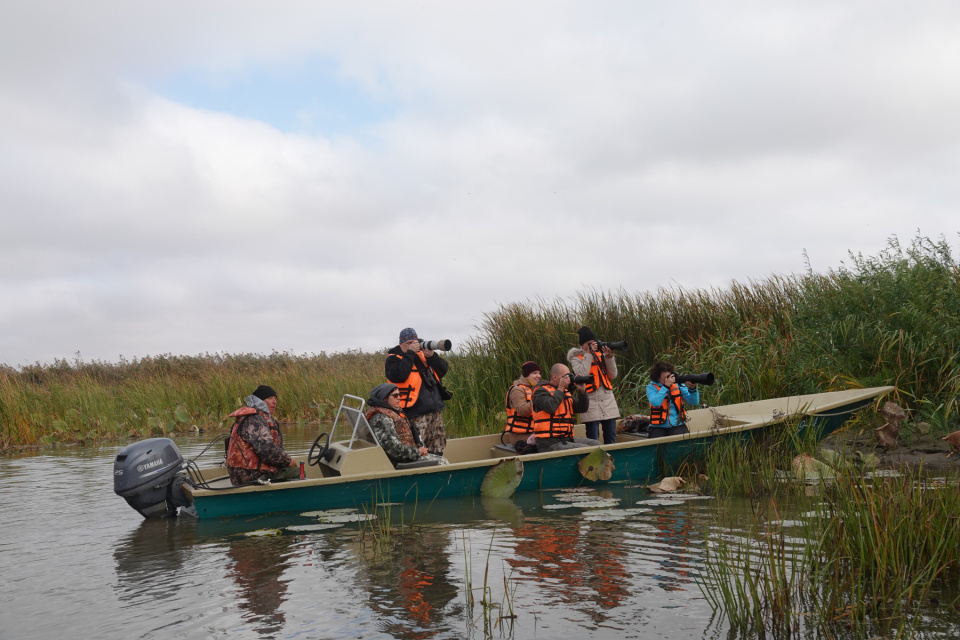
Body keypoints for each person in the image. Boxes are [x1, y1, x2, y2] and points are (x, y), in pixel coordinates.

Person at [385, 327, 450, 455]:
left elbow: (443, 370)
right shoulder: (393, 359)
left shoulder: (423, 356)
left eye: (415, 342)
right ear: (401, 344)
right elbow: (399, 375)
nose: (413, 345)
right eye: (409, 343)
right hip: (415, 411)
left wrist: (432, 357)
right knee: (417, 446)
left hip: (434, 409)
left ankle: (437, 467)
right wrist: (410, 353)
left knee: (438, 444)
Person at [225, 385, 299, 485]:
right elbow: (267, 450)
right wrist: (289, 461)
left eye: (275, 398)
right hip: (250, 475)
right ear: (260, 401)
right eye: (270, 398)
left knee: (285, 466)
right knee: (296, 471)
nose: (274, 402)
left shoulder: (253, 417)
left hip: (243, 473)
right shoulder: (255, 419)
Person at [366, 383, 446, 466]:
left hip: (406, 456)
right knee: (442, 462)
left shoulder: (392, 411)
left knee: (440, 459)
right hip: (399, 462)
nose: (399, 398)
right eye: (395, 395)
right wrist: (418, 452)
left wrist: (419, 449)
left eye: (400, 395)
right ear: (385, 398)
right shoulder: (381, 418)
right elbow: (393, 449)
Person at [568, 326, 620, 444]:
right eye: (589, 343)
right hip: (590, 401)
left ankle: (610, 460)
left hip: (607, 400)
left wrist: (609, 357)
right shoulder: (576, 358)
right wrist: (588, 353)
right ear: (582, 345)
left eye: (593, 342)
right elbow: (581, 374)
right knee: (592, 437)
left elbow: (613, 375)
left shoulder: (602, 354)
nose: (592, 345)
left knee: (611, 436)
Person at [532, 363, 601, 452]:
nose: (569, 379)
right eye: (565, 376)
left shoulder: (564, 393)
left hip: (566, 439)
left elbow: (582, 408)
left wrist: (582, 391)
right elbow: (551, 407)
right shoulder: (540, 391)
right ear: (554, 377)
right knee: (586, 450)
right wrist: (561, 387)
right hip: (548, 443)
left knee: (596, 445)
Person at [646, 361, 700, 438]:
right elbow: (656, 403)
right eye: (665, 376)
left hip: (677, 425)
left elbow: (694, 402)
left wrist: (692, 388)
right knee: (657, 446)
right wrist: (666, 386)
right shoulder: (651, 388)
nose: (668, 378)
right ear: (658, 376)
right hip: (658, 426)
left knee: (681, 443)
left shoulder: (678, 385)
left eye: (669, 375)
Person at [502, 361, 542, 447]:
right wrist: (538, 397)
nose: (538, 376)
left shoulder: (535, 389)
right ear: (526, 375)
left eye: (539, 373)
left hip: (535, 432)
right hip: (520, 436)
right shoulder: (517, 390)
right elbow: (523, 411)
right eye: (535, 373)